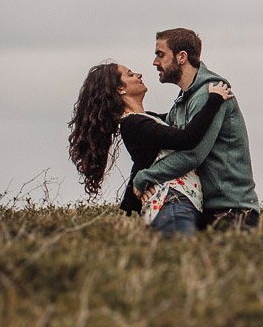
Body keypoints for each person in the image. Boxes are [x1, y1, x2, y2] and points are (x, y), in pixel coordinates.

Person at [67, 62, 233, 235]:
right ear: (119, 89)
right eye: (130, 74)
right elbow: (187, 138)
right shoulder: (134, 124)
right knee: (178, 251)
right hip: (171, 201)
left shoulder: (147, 119)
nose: (139, 75)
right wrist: (214, 100)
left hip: (180, 202)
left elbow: (184, 119)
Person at [132, 27, 261, 230]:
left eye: (160, 54)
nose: (155, 62)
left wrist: (144, 178)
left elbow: (193, 153)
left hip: (232, 211)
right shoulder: (183, 101)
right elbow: (167, 129)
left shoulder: (209, 94)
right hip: (207, 209)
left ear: (182, 57)